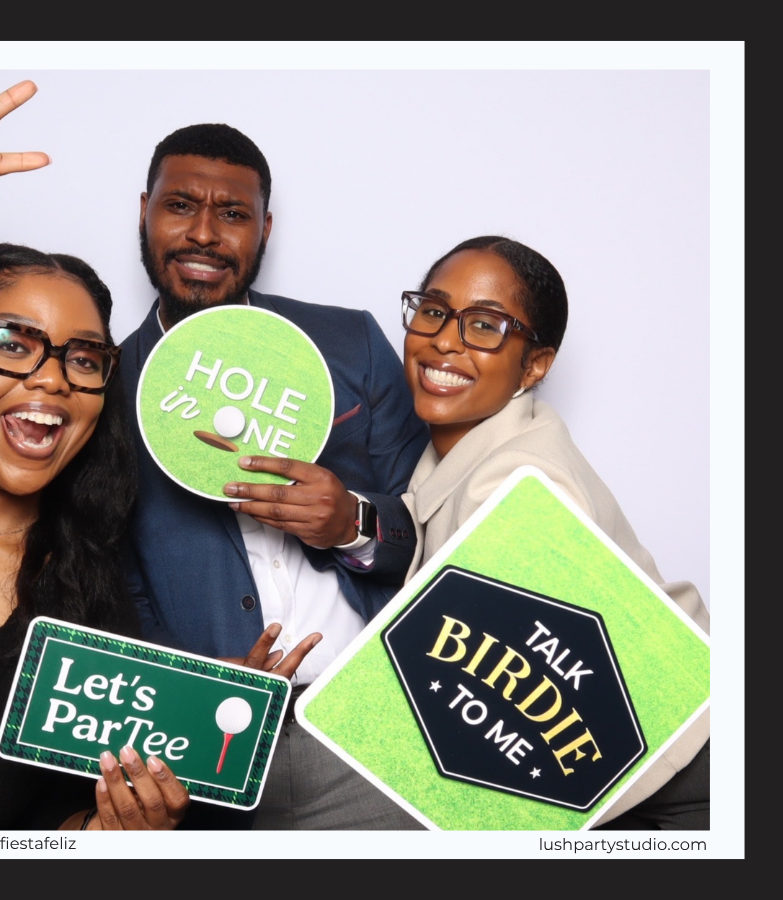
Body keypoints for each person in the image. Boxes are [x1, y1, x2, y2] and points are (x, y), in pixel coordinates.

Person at [0, 85, 318, 831]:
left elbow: (21, 833)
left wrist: (119, 824)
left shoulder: (88, 603)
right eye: (13, 344)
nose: (52, 377)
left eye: (84, 358)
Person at [121, 123, 430, 829]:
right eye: (180, 206)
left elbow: (442, 528)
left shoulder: (350, 343)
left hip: (375, 722)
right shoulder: (100, 390)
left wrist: (353, 522)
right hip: (208, 750)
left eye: (232, 214)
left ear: (265, 226)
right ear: (144, 211)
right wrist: (196, 699)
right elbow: (104, 588)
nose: (204, 233)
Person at [398, 234, 710, 829]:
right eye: (435, 311)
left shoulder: (517, 483)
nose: (444, 338)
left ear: (535, 365)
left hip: (687, 770)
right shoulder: (481, 442)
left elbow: (522, 684)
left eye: (485, 325)